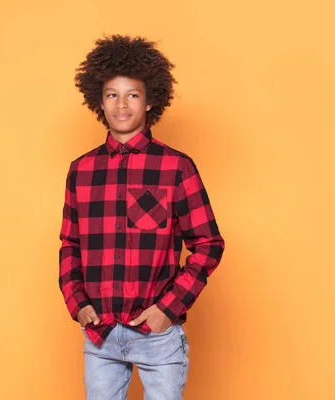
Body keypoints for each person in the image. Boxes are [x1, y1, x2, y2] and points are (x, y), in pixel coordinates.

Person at [58, 34, 225, 400]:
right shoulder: (81, 170)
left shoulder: (176, 167)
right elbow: (70, 243)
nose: (122, 104)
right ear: (99, 101)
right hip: (99, 333)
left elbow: (208, 244)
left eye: (132, 94)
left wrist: (168, 309)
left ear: (150, 102)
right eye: (112, 94)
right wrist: (77, 302)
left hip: (158, 335)